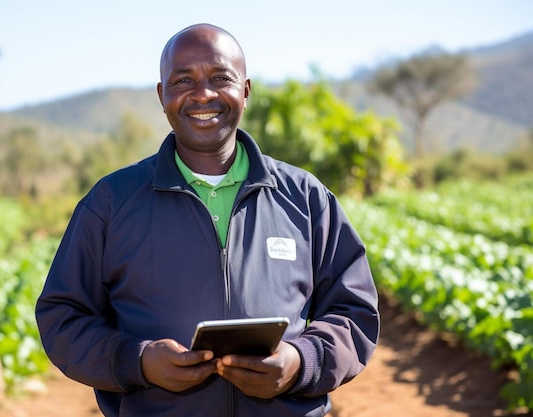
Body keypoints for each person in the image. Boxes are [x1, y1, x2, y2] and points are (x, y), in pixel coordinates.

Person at [35, 23, 379, 417]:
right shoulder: (111, 203)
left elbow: (355, 311)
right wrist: (139, 360)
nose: (203, 94)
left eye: (221, 77)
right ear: (162, 95)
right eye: (184, 80)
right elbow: (62, 317)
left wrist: (302, 362)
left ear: (245, 91)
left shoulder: (306, 197)